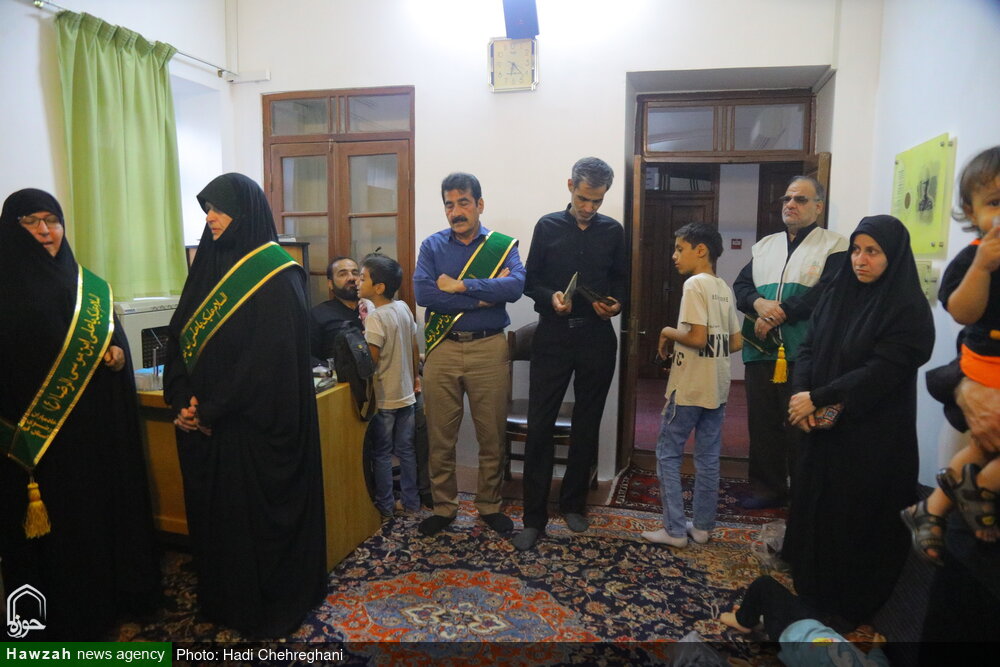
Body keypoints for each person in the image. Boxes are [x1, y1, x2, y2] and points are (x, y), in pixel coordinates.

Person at [162, 173, 326, 637]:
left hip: (253, 430)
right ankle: (224, 598)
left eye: (219, 208)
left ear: (246, 211)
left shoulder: (278, 274)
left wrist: (212, 408)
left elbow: (268, 362)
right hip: (206, 427)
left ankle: (264, 606)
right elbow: (179, 338)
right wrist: (182, 397)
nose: (210, 218)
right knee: (220, 526)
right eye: (207, 209)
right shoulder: (208, 265)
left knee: (253, 526)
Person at [0, 189, 159, 640]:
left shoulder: (88, 287)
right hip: (34, 446)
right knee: (52, 538)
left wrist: (117, 356)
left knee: (94, 523)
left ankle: (106, 603)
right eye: (31, 221)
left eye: (53, 220)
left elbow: (114, 342)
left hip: (91, 435)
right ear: (11, 228)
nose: (45, 231)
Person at [783, 214, 934, 626]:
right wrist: (802, 395)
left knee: (853, 517)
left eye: (873, 252)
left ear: (894, 256)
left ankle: (846, 604)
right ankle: (811, 587)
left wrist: (818, 398)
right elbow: (809, 346)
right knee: (815, 505)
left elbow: (882, 370)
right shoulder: (838, 291)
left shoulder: (906, 307)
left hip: (870, 437)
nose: (860, 260)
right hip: (821, 427)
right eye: (855, 250)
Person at [513, 157, 626, 552]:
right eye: (583, 199)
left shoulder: (613, 231)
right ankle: (533, 517)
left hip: (597, 337)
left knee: (587, 422)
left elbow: (621, 281)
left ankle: (573, 504)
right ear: (570, 186)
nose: (589, 208)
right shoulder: (547, 226)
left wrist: (616, 304)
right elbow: (530, 281)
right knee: (540, 425)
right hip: (553, 336)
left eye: (597, 201)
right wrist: (552, 298)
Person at [901, 146, 1000, 562]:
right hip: (985, 365)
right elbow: (961, 311)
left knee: (981, 450)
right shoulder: (976, 256)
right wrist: (981, 268)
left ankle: (941, 505)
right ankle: (972, 496)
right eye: (995, 203)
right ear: (971, 211)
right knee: (982, 444)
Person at [413, 172, 525, 537]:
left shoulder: (501, 246)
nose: (456, 211)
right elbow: (425, 294)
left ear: (479, 204)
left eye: (463, 202)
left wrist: (461, 285)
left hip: (488, 348)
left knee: (491, 435)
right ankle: (444, 507)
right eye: (449, 204)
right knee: (439, 436)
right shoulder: (432, 246)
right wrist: (482, 297)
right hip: (443, 348)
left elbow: (515, 286)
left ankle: (489, 505)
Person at [733, 176, 848, 509]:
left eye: (800, 199)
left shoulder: (835, 245)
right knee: (763, 424)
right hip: (762, 351)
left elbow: (828, 292)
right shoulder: (765, 246)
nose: (791, 205)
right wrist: (759, 304)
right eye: (787, 199)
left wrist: (780, 312)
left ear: (818, 207)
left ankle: (804, 493)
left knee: (802, 425)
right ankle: (767, 489)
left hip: (805, 352)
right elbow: (741, 287)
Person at [640, 223, 742, 548]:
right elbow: (736, 342)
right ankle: (701, 527)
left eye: (679, 248)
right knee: (708, 458)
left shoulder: (694, 284)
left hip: (689, 388)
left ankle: (673, 530)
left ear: (701, 250)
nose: (674, 255)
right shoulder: (723, 287)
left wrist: (667, 332)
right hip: (717, 387)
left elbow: (697, 338)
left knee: (667, 454)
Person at [359, 253, 420, 520]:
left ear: (379, 287)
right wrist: (415, 377)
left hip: (385, 397)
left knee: (382, 453)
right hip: (406, 394)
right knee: (406, 450)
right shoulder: (403, 307)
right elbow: (414, 346)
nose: (358, 282)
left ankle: (385, 505)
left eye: (363, 278)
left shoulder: (376, 317)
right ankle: (411, 501)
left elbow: (371, 361)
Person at [719, 575, 888, 667]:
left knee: (764, 584)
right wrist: (876, 648)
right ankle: (760, 616)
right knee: (804, 597)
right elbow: (879, 662)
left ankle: (744, 620)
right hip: (816, 624)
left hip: (787, 631)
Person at [310, 256, 371, 366]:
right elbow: (308, 357)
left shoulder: (372, 309)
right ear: (330, 283)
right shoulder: (318, 315)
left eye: (355, 273)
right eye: (343, 274)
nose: (351, 278)